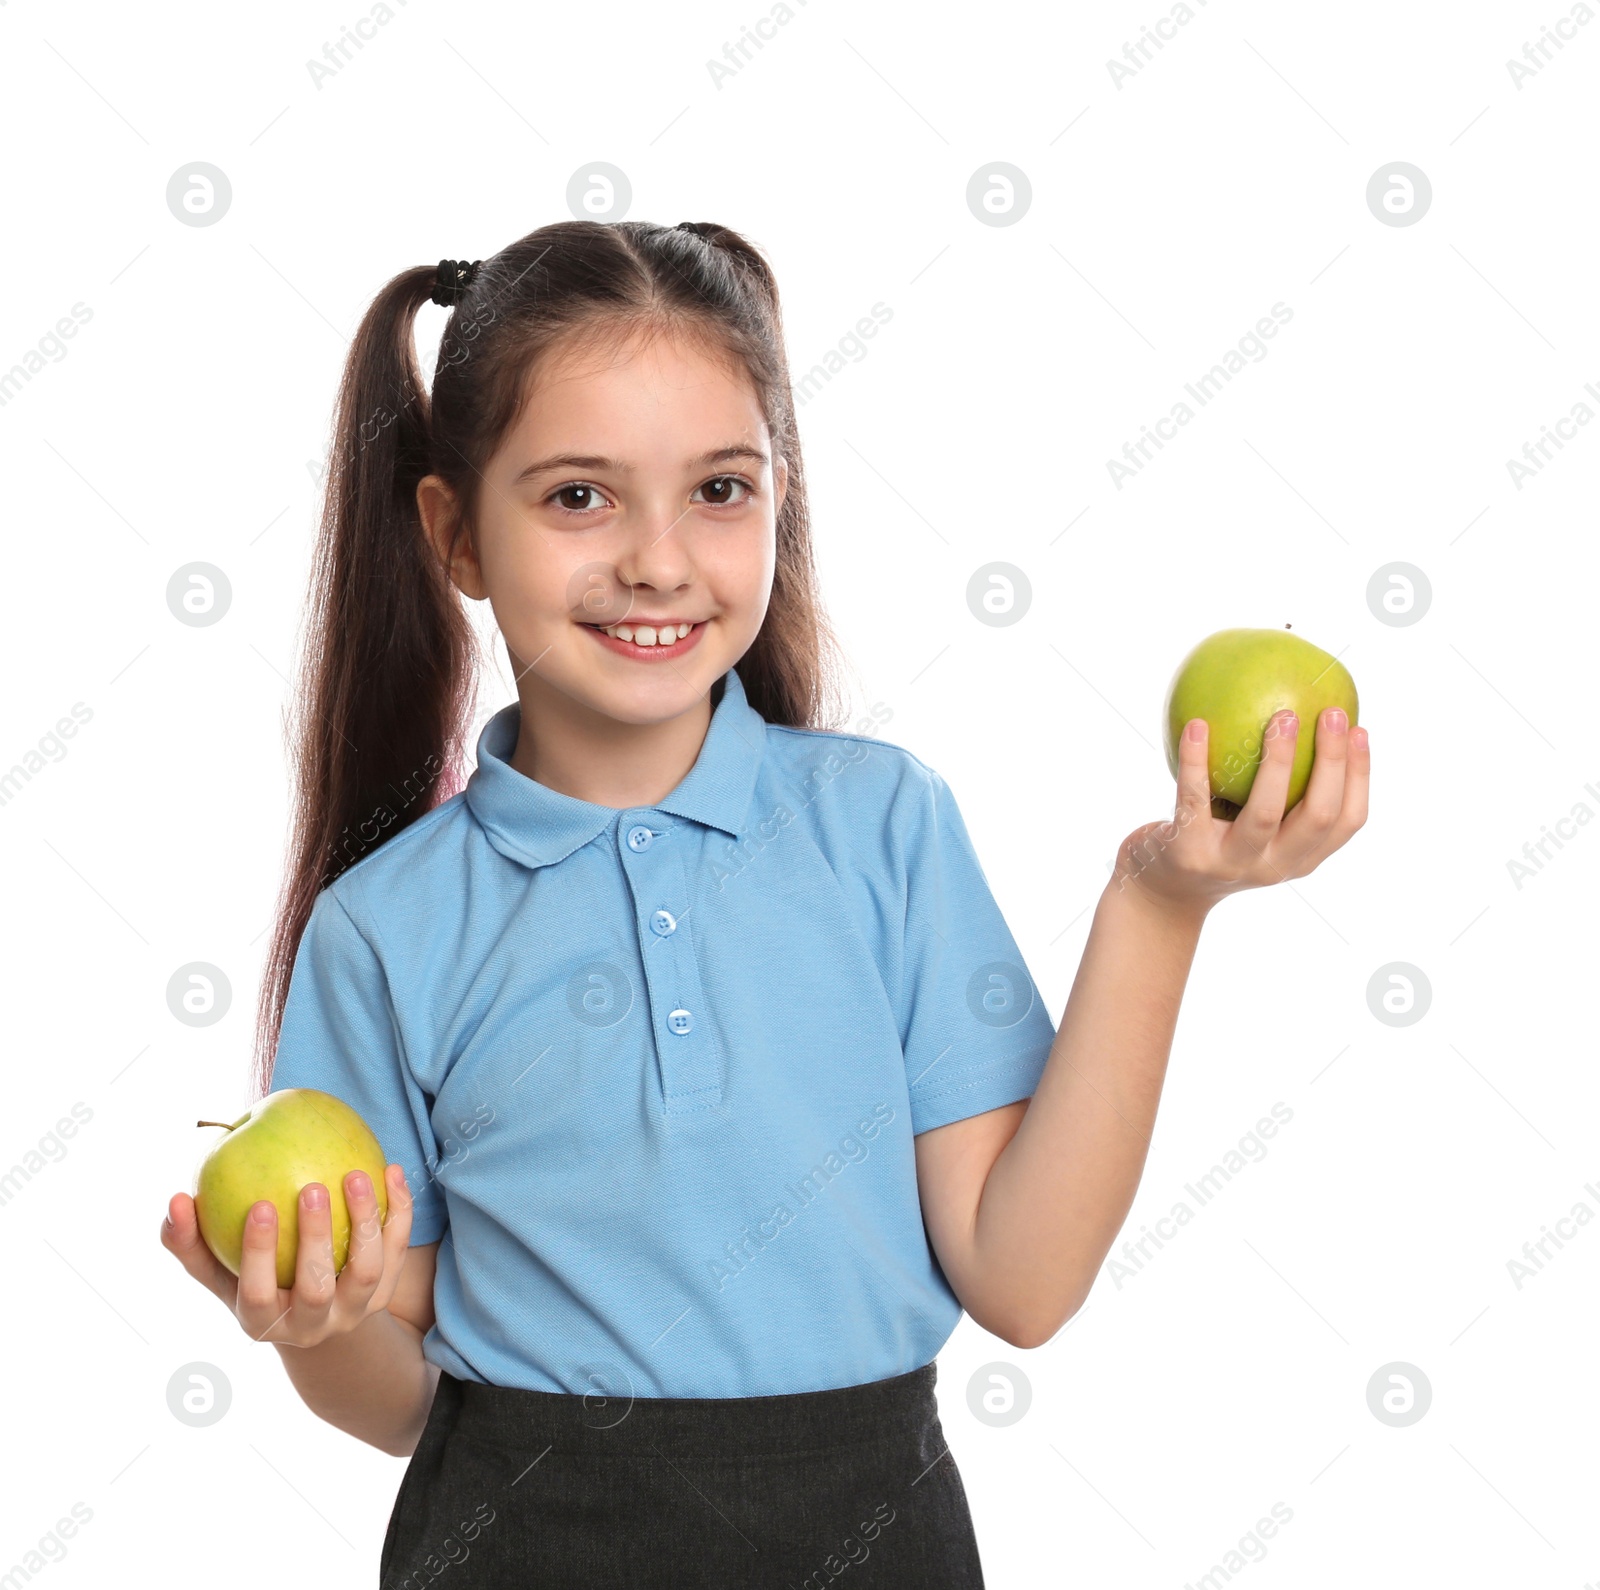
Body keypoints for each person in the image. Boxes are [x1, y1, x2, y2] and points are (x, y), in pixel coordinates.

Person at [159, 220, 1370, 1588]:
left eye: (720, 489)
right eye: (578, 497)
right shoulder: (386, 928)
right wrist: (314, 1321)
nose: (660, 560)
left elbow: (1022, 1282)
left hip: (877, 1538)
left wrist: (1159, 904)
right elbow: (400, 1402)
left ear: (778, 495)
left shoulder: (885, 826)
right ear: (457, 534)